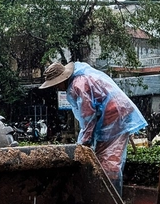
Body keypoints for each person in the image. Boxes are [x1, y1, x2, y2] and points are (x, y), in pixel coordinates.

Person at [39, 60, 147, 194]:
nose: (56, 88)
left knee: (107, 163)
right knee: (105, 159)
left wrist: (83, 145)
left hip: (114, 117)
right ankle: (106, 197)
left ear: (63, 79)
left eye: (56, 84)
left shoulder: (78, 85)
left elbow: (88, 117)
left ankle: (109, 201)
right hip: (116, 115)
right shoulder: (81, 79)